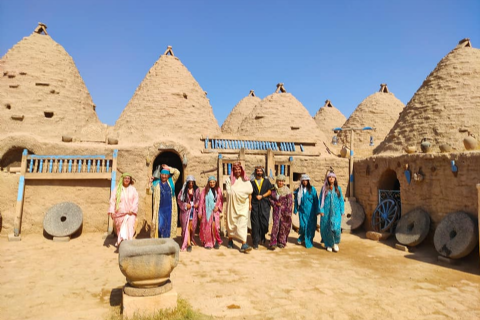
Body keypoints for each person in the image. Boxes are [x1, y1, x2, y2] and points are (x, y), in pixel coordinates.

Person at [225, 162, 253, 253]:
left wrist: (249, 204)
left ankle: (243, 244)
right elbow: (229, 192)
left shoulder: (246, 180)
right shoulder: (229, 180)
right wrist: (235, 192)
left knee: (242, 223)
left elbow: (249, 192)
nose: (237, 171)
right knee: (232, 223)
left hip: (243, 206)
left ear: (241, 170)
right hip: (232, 206)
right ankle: (230, 240)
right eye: (235, 169)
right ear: (233, 170)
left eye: (239, 169)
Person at [149, 164, 180, 239]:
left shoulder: (171, 181)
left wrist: (169, 168)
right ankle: (161, 240)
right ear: (160, 175)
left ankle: (167, 241)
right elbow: (149, 192)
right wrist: (149, 183)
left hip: (169, 208)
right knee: (160, 225)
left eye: (166, 175)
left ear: (168, 176)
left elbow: (177, 172)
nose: (164, 176)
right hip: (160, 208)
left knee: (168, 224)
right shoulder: (156, 183)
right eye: (162, 174)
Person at [108, 173, 139, 247]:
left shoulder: (133, 189)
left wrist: (132, 210)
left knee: (129, 227)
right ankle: (123, 245)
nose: (127, 180)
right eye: (125, 178)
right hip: (119, 214)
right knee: (121, 231)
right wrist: (112, 211)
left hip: (130, 213)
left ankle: (129, 245)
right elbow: (112, 201)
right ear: (122, 179)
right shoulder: (117, 189)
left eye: (128, 178)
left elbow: (136, 200)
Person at [319, 171, 345, 252]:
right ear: (327, 178)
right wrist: (321, 210)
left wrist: (342, 210)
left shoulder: (338, 189)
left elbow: (341, 200)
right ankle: (328, 244)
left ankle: (336, 243)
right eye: (330, 177)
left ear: (335, 179)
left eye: (333, 177)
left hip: (336, 212)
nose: (331, 178)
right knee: (327, 228)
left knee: (336, 228)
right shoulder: (324, 188)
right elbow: (321, 200)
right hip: (326, 212)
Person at [293, 174, 319, 249]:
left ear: (308, 181)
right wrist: (295, 209)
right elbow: (296, 200)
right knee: (303, 226)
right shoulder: (299, 190)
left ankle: (309, 241)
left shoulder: (312, 189)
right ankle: (303, 237)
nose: (304, 182)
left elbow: (316, 200)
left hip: (311, 212)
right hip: (302, 211)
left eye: (306, 180)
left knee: (310, 227)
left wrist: (317, 210)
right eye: (303, 181)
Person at [249, 165, 273, 249]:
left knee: (264, 222)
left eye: (260, 171)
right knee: (255, 223)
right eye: (257, 171)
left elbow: (270, 191)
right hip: (255, 204)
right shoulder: (252, 182)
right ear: (255, 172)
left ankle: (262, 237)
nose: (259, 172)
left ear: (263, 172)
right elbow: (250, 194)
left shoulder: (266, 181)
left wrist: (262, 196)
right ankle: (255, 242)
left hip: (264, 204)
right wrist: (250, 204)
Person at [198, 176, 223, 249]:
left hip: (215, 211)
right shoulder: (205, 190)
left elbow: (220, 200)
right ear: (208, 183)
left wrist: (218, 207)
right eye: (210, 182)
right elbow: (201, 201)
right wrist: (200, 211)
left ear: (215, 182)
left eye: (213, 182)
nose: (212, 184)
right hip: (207, 211)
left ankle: (216, 241)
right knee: (208, 227)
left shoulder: (218, 190)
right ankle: (208, 243)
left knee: (215, 227)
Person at [269, 174, 293, 250]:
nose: (281, 182)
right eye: (279, 181)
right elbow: (270, 199)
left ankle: (281, 242)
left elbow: (290, 202)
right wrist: (275, 203)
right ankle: (273, 242)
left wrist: (288, 211)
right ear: (277, 181)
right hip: (276, 210)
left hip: (285, 211)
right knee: (276, 225)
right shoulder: (273, 190)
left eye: (282, 181)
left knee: (283, 226)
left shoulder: (287, 190)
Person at [177, 175, 200, 252]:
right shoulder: (183, 191)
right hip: (185, 212)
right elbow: (179, 200)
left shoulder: (196, 190)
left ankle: (190, 238)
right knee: (186, 226)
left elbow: (198, 199)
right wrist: (186, 205)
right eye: (189, 183)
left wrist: (197, 204)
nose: (191, 184)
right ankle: (188, 244)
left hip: (193, 211)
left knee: (191, 226)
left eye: (192, 183)